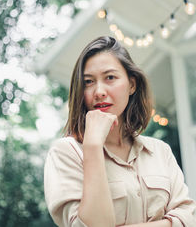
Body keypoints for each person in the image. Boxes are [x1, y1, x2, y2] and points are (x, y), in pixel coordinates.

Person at [44, 36, 196, 227]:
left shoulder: (160, 151)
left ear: (132, 85)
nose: (99, 91)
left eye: (110, 78)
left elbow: (189, 219)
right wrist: (92, 147)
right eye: (89, 82)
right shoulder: (66, 153)